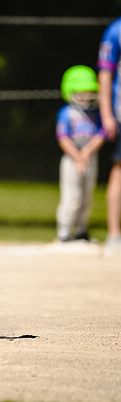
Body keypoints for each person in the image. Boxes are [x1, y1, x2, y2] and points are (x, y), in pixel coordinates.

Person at [55, 65, 106, 242]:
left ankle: (81, 231)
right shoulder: (66, 113)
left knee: (86, 198)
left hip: (90, 159)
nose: (87, 95)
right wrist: (78, 157)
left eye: (90, 90)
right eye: (83, 91)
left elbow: (101, 134)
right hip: (71, 160)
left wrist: (86, 153)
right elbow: (63, 138)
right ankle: (64, 233)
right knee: (72, 197)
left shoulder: (97, 113)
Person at [97, 17, 121, 255]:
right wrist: (107, 113)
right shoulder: (117, 30)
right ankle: (115, 234)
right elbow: (105, 74)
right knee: (120, 167)